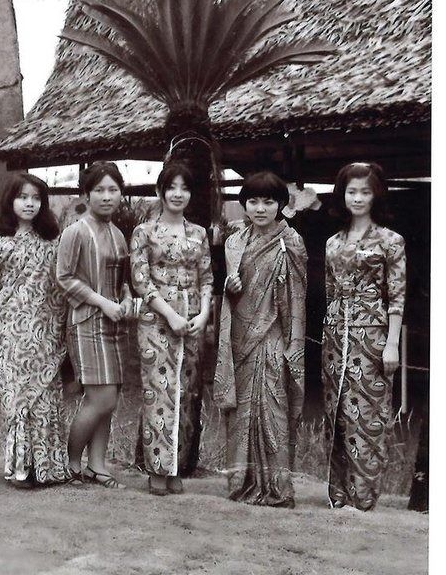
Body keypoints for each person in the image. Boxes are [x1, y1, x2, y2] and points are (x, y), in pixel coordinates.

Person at [214, 171, 307, 508]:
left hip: (273, 338)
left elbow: (297, 299)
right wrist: (229, 288)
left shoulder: (291, 243)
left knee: (273, 408)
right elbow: (228, 290)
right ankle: (241, 483)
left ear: (281, 205)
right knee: (240, 412)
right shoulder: (234, 243)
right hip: (240, 339)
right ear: (244, 205)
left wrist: (290, 345)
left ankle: (277, 488)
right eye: (253, 201)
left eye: (269, 201)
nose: (261, 208)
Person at [322, 162, 405, 511]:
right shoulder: (332, 242)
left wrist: (391, 343)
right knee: (337, 411)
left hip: (372, 337)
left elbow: (397, 296)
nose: (358, 198)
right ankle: (337, 494)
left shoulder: (390, 241)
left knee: (368, 413)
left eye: (365, 191)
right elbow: (328, 292)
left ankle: (364, 496)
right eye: (352, 191)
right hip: (334, 337)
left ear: (376, 195)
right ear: (343, 195)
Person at [0, 173, 69, 489]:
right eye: (22, 197)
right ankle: (21, 469)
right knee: (16, 398)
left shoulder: (54, 239)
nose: (29, 203)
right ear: (11, 200)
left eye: (35, 198)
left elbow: (65, 281)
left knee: (45, 396)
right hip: (10, 331)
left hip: (46, 330)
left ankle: (48, 469)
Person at [131, 162, 212, 496]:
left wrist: (204, 314)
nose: (178, 194)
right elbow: (140, 280)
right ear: (160, 191)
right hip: (156, 321)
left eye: (185, 188)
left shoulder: (199, 234)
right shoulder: (144, 232)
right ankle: (157, 470)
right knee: (158, 391)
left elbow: (207, 277)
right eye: (172, 187)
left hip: (192, 320)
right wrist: (169, 315)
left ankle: (177, 466)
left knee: (186, 392)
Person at [56, 161, 138, 490]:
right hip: (87, 321)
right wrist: (102, 302)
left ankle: (97, 465)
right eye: (99, 190)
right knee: (99, 398)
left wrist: (128, 298)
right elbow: (63, 278)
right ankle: (72, 462)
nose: (107, 197)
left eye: (113, 190)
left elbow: (124, 279)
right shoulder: (75, 231)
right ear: (86, 194)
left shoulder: (118, 234)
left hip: (116, 322)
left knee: (111, 397)